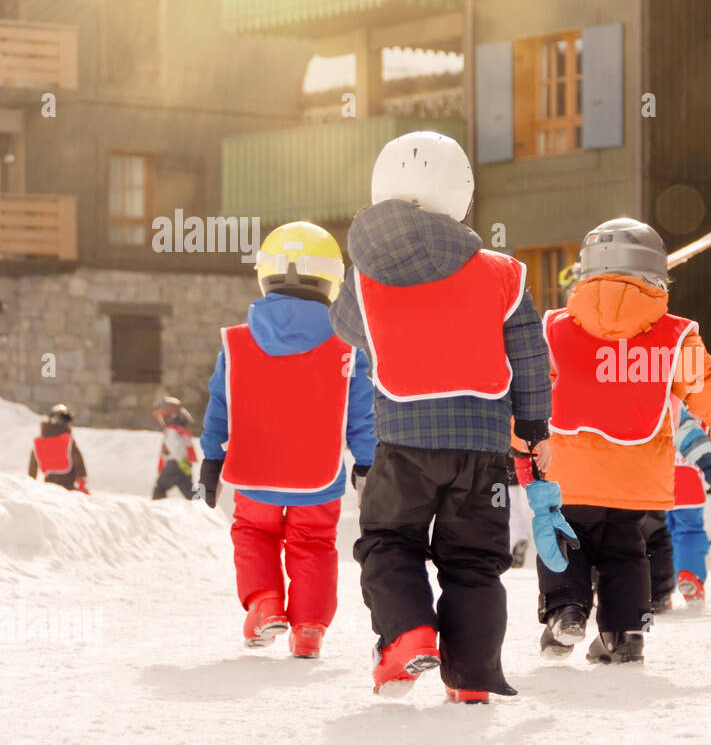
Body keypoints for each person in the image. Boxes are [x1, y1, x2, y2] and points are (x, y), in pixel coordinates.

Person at [328, 131, 571, 702]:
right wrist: (534, 427)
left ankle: (409, 634)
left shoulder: (363, 276)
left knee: (389, 540)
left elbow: (347, 328)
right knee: (474, 563)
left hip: (402, 439)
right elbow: (530, 354)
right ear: (461, 191)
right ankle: (472, 677)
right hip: (483, 447)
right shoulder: (503, 273)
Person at [529, 217, 711, 665]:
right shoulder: (674, 337)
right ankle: (626, 632)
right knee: (625, 549)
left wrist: (519, 449)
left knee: (562, 538)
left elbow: (530, 392)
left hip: (568, 471)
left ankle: (566, 609)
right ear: (656, 272)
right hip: (635, 478)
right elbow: (706, 385)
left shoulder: (554, 327)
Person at [198, 221, 376, 661]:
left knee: (253, 534)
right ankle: (310, 628)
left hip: (254, 470)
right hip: (319, 475)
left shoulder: (236, 343)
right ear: (332, 279)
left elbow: (221, 405)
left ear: (266, 273)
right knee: (314, 542)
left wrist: (210, 459)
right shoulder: (347, 348)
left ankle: (264, 605)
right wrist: (368, 464)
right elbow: (362, 415)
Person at [644, 400, 711, 612]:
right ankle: (689, 575)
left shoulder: (655, 389)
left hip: (655, 474)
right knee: (690, 530)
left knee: (656, 532)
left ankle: (655, 589)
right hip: (689, 475)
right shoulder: (701, 399)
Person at [28, 403, 89, 494]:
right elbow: (78, 461)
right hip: (68, 485)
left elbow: (33, 465)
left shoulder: (40, 442)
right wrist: (81, 482)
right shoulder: (67, 440)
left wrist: (30, 483)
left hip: (48, 484)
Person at [151, 396, 197, 500]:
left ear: (168, 416)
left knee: (160, 488)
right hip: (185, 463)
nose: (160, 420)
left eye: (160, 417)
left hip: (176, 463)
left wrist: (181, 463)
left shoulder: (171, 430)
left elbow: (177, 448)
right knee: (189, 491)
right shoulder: (181, 429)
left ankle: (158, 509)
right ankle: (203, 508)